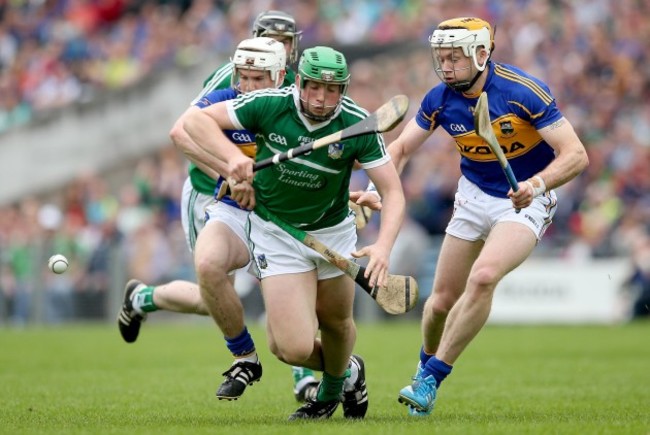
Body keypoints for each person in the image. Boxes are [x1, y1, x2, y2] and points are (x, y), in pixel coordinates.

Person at [355, 17, 589, 416]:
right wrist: (375, 189)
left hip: (526, 199)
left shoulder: (522, 92)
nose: (445, 66)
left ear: (482, 54)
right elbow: (402, 149)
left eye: (454, 58)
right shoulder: (439, 99)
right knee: (440, 303)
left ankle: (431, 379)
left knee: (483, 277)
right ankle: (424, 364)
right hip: (474, 195)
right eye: (440, 58)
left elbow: (577, 155)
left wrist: (534, 185)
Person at [181, 46, 406, 420]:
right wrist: (232, 157)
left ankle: (329, 394)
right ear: (298, 81)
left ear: (344, 90)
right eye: (314, 87)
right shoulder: (270, 104)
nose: (322, 98)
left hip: (332, 232)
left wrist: (383, 247)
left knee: (335, 321)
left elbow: (394, 191)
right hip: (277, 235)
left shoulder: (357, 124)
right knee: (291, 349)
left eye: (332, 90)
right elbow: (194, 123)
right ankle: (349, 371)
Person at [117, 35, 317, 402]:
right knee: (212, 281)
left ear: (280, 74)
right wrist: (229, 172)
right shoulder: (226, 95)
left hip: (280, 217)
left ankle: (320, 375)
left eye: (257, 79)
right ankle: (246, 357)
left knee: (273, 298)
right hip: (222, 205)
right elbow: (184, 128)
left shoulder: (300, 104)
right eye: (244, 77)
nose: (247, 87)